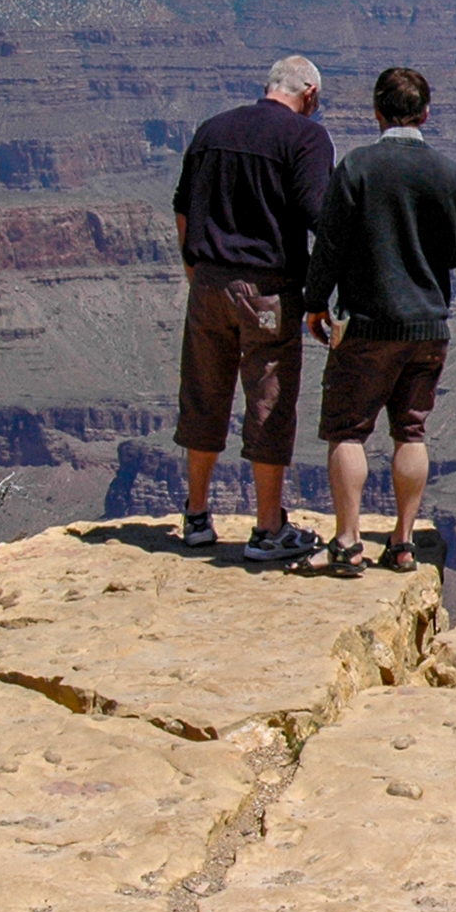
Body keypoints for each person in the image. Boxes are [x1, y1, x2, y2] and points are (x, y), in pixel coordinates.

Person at [292, 67, 456, 577]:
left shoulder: (357, 168)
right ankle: (403, 542)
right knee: (410, 432)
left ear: (376, 112)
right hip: (428, 326)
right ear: (426, 113)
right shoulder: (447, 172)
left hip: (368, 324)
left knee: (348, 431)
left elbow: (329, 244)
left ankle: (348, 543)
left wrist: (314, 301)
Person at [172, 55, 333, 560]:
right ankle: (267, 529)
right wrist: (322, 291)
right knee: (268, 401)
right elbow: (317, 215)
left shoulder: (212, 130)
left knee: (203, 392)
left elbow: (182, 204)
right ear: (308, 92)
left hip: (208, 283)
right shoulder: (305, 138)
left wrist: (193, 270)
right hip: (268, 289)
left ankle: (197, 516)